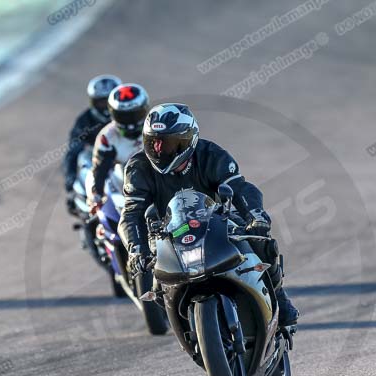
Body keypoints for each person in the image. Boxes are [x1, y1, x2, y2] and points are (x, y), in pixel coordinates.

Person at [118, 103, 299, 327]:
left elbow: (241, 188)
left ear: (187, 141)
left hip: (216, 220)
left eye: (167, 143)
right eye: (152, 141)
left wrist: (256, 216)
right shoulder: (138, 167)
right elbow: (130, 214)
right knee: (157, 288)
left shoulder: (211, 154)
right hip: (168, 231)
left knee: (260, 241)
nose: (158, 149)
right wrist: (136, 251)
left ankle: (279, 297)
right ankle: (188, 325)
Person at [87, 83, 150, 213]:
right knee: (99, 213)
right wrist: (97, 196)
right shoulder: (107, 136)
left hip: (158, 180)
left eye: (135, 114)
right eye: (124, 116)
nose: (130, 122)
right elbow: (99, 169)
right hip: (122, 186)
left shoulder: (155, 127)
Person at [63, 74, 121, 212]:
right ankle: (88, 201)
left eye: (109, 101)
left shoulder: (127, 114)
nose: (106, 106)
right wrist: (70, 178)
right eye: (102, 102)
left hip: (122, 160)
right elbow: (73, 150)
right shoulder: (84, 121)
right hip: (95, 162)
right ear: (93, 102)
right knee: (83, 157)